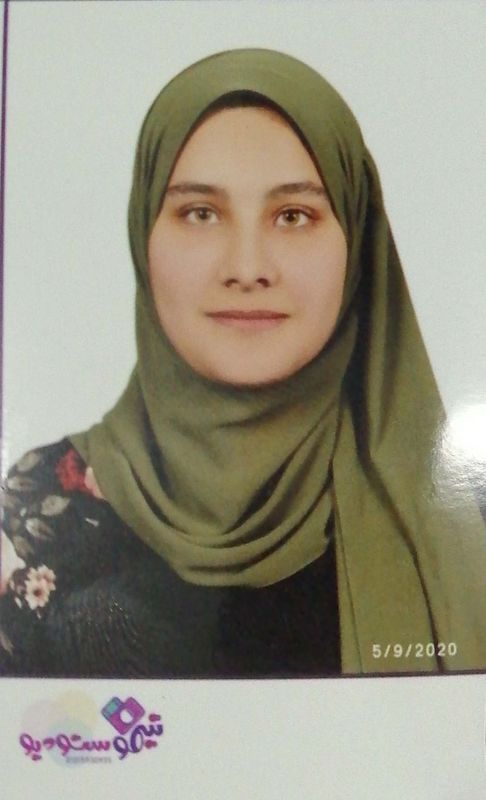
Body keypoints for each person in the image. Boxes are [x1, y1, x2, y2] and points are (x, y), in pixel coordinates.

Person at [1, 48, 484, 678]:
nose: (248, 268)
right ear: (142, 234)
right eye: (200, 213)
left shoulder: (462, 511)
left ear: (356, 238)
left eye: (294, 215)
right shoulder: (34, 510)